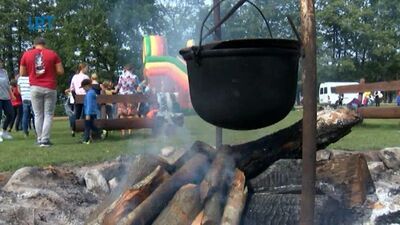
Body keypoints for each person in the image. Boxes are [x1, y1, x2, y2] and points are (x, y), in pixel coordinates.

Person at [19, 37, 64, 147]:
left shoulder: (26, 54)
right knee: (48, 114)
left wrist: (32, 72)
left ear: (34, 44)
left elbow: (22, 73)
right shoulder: (52, 54)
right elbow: (60, 71)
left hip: (35, 87)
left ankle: (39, 139)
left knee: (38, 114)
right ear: (45, 44)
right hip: (50, 86)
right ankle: (45, 139)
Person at [114, 64, 139, 135]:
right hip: (131, 96)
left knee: (122, 114)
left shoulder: (121, 76)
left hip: (122, 96)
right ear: (132, 69)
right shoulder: (134, 77)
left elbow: (118, 86)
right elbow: (137, 87)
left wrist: (115, 91)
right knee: (130, 114)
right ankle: (129, 132)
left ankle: (123, 132)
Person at [81, 79, 106, 144]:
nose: (83, 89)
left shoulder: (89, 94)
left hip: (89, 113)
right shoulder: (92, 92)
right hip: (92, 112)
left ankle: (86, 140)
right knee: (91, 126)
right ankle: (101, 131)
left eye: (83, 87)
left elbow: (89, 104)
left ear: (87, 86)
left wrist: (87, 114)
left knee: (87, 126)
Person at [69, 63, 89, 136]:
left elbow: (72, 88)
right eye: (86, 68)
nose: (87, 69)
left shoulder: (74, 77)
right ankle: (84, 130)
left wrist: (75, 97)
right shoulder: (85, 77)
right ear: (83, 68)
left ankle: (73, 129)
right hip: (85, 96)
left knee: (77, 114)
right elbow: (88, 87)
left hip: (77, 96)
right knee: (85, 113)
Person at [0, 59, 15, 142]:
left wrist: (12, 95)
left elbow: (8, 85)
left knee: (11, 114)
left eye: (1, 62)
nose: (0, 63)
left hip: (6, 97)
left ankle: (4, 131)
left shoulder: (4, 72)